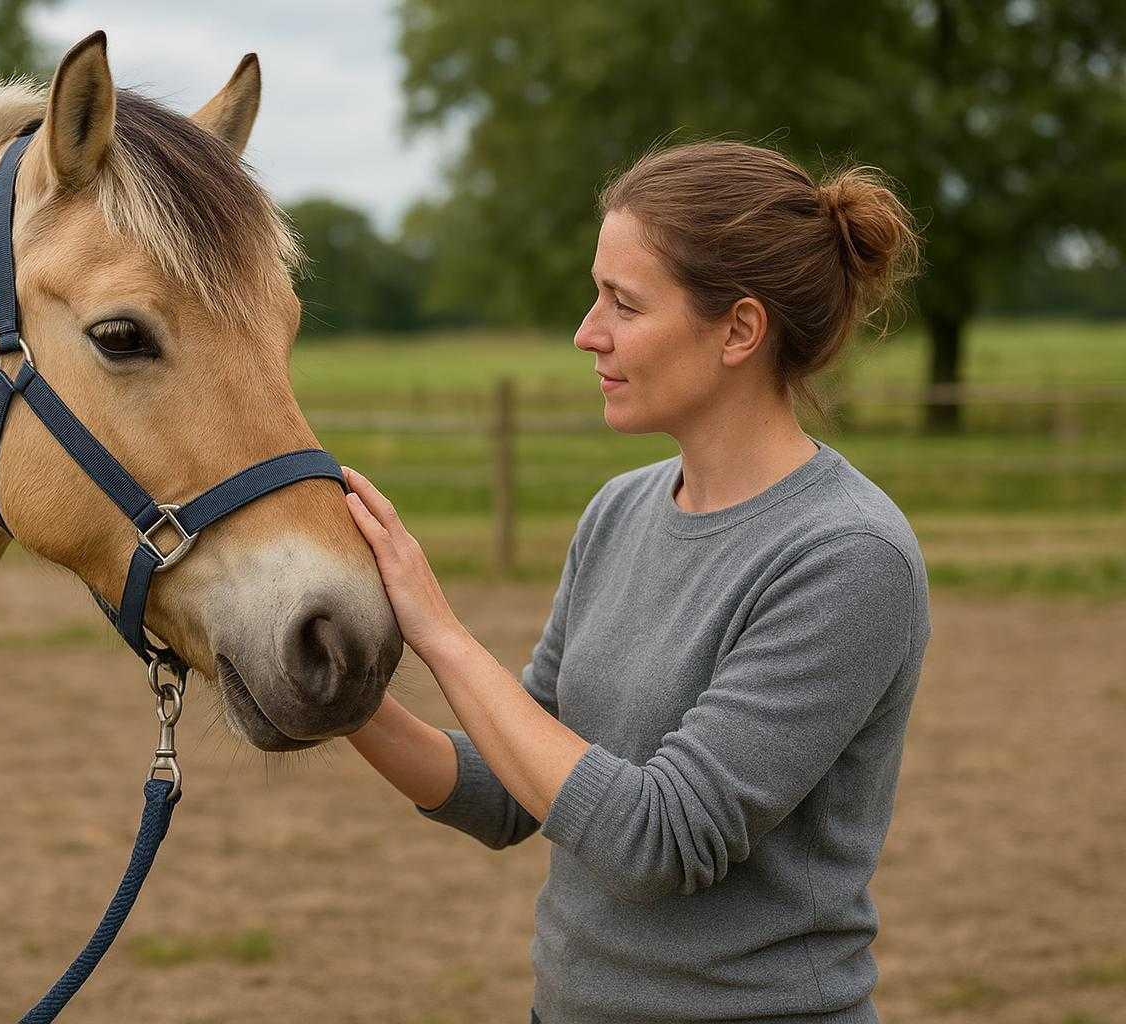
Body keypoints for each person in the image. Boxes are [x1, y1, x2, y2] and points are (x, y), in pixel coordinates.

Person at [341, 139, 929, 1024]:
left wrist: (440, 633)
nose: (588, 330)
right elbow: (511, 790)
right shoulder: (620, 510)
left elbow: (656, 841)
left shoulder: (846, 557)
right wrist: (338, 692)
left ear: (738, 328)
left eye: (624, 302)